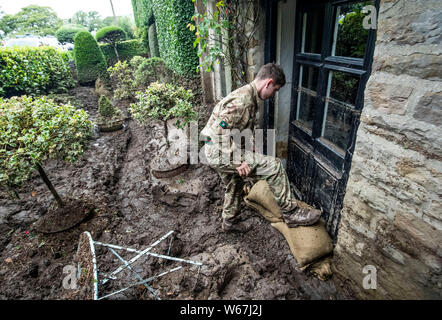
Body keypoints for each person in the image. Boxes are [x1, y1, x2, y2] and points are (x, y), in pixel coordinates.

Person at [201, 63, 321, 232]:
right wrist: (238, 161)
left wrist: (249, 146)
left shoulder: (249, 95)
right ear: (268, 83)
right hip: (217, 150)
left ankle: (229, 222)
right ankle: (291, 212)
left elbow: (238, 127)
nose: (274, 94)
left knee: (235, 181)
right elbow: (219, 132)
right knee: (274, 166)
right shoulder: (242, 102)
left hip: (216, 149)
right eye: (276, 90)